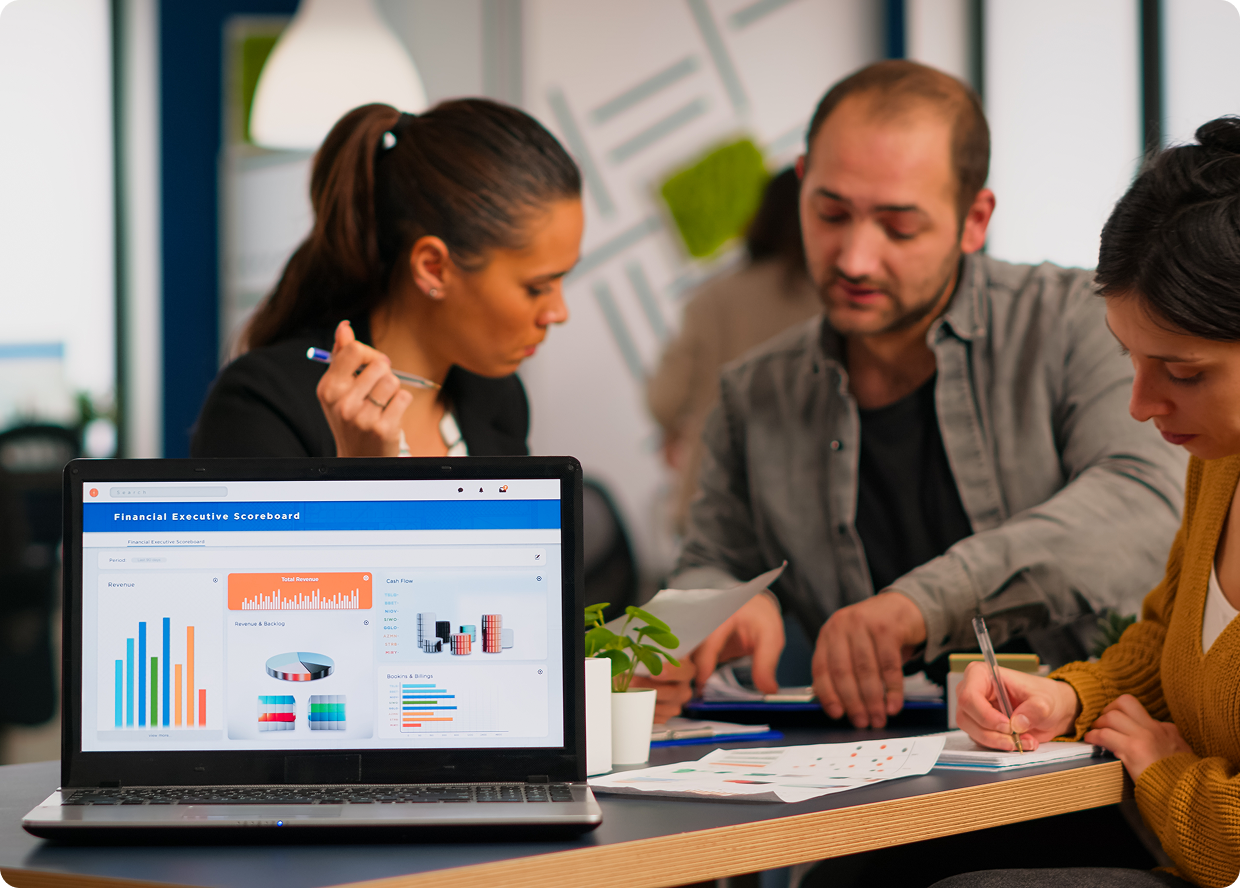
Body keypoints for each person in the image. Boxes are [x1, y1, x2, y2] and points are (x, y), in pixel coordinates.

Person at [643, 60, 1187, 728]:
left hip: (1076, 758)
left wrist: (920, 605)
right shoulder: (755, 391)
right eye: (831, 212)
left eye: (898, 227)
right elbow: (713, 560)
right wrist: (718, 608)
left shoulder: (1077, 322)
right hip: (857, 774)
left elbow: (1144, 500)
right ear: (801, 182)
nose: (854, 259)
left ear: (973, 218)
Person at [938, 116, 1240, 888]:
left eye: (1183, 371)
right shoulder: (1221, 463)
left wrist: (1166, 771)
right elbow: (1168, 637)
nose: (1141, 405)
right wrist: (1072, 697)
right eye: (1130, 360)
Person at [192, 99, 583, 458]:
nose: (558, 312)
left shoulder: (497, 400)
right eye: (537, 288)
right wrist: (363, 475)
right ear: (433, 267)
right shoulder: (262, 407)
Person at [647, 168, 821, 535]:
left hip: (713, 503)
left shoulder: (713, 297)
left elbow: (664, 400)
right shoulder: (837, 300)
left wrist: (675, 427)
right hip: (812, 505)